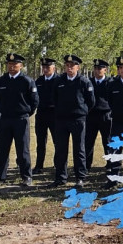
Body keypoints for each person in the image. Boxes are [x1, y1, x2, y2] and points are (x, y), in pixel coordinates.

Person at [0, 53, 39, 186]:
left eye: (15, 64)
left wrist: (26, 113)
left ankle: (26, 176)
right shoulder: (2, 80)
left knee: (22, 149)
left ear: (21, 65)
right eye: (10, 64)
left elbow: (34, 101)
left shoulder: (27, 81)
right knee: (2, 149)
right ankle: (0, 176)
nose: (12, 66)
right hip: (5, 118)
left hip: (21, 119)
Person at [52, 54, 95, 188]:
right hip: (61, 120)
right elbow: (54, 98)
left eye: (72, 66)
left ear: (78, 67)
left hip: (78, 119)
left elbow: (91, 101)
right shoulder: (58, 81)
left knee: (79, 149)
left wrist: (82, 111)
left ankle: (80, 177)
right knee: (60, 150)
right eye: (67, 65)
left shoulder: (84, 81)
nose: (69, 68)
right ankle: (60, 177)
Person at [85, 59, 114, 173]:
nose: (97, 71)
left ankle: (110, 164)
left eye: (100, 69)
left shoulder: (110, 82)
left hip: (106, 115)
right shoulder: (88, 82)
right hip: (91, 115)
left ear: (105, 70)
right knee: (88, 142)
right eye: (96, 68)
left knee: (107, 142)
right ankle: (86, 166)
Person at [34, 57, 59, 174]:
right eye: (43, 67)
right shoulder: (38, 81)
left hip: (55, 114)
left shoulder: (59, 81)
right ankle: (39, 166)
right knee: (40, 141)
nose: (45, 69)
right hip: (41, 114)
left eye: (47, 67)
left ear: (53, 68)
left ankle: (57, 164)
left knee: (57, 141)